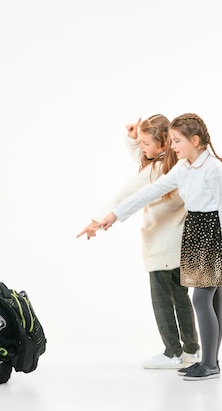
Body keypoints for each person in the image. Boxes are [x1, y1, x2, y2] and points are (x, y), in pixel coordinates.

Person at [97, 113, 222, 381]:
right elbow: (150, 191)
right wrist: (114, 215)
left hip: (213, 234)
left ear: (195, 140)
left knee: (203, 298)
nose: (173, 146)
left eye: (177, 141)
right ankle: (210, 360)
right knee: (213, 299)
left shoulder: (214, 168)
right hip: (195, 232)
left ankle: (209, 363)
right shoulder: (183, 167)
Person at [77, 114, 200, 369]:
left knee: (162, 299)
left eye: (145, 143)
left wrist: (97, 219)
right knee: (181, 297)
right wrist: (134, 139)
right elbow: (144, 158)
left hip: (161, 246)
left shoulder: (154, 170)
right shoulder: (173, 164)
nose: (141, 148)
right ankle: (191, 350)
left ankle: (172, 352)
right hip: (178, 244)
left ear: (163, 145)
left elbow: (127, 192)